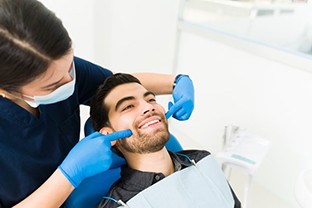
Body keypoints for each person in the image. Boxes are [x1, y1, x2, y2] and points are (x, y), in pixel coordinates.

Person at [0, 0, 195, 207]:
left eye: (70, 66)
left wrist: (175, 82)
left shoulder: (53, 66)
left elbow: (115, 84)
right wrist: (69, 175)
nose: (70, 82)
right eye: (53, 85)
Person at [89, 73, 241, 208]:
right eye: (128, 106)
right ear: (109, 135)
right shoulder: (116, 205)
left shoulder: (203, 161)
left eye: (151, 99)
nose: (148, 107)